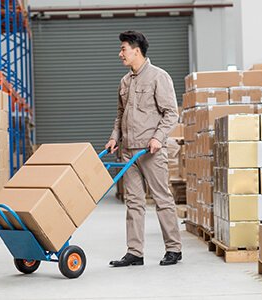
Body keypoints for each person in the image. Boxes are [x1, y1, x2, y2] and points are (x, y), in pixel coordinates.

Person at [106, 30, 182, 267]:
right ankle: (134, 252)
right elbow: (121, 115)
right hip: (128, 151)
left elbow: (171, 113)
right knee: (134, 202)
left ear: (136, 50)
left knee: (162, 199)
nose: (120, 54)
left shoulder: (159, 77)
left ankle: (174, 249)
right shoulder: (125, 81)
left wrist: (158, 138)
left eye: (123, 49)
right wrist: (114, 137)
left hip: (151, 151)